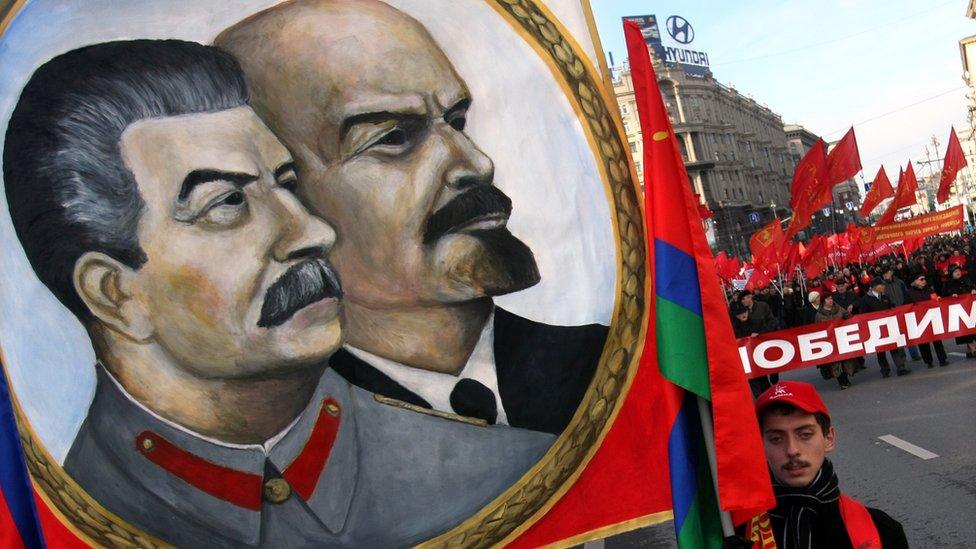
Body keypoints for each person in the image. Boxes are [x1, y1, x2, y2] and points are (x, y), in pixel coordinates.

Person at [3, 39, 553, 547]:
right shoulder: (40, 520)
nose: (314, 232)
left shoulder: (510, 476)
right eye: (228, 204)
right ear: (115, 294)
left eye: (287, 185)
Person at [215, 0, 607, 435]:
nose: (475, 163)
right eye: (394, 137)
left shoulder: (605, 364)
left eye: (456, 120)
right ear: (282, 193)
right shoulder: (283, 434)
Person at [742, 382, 908, 549]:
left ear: (829, 438)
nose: (792, 450)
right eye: (776, 439)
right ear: (760, 445)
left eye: (805, 435)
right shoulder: (736, 531)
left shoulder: (882, 533)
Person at [858, 279, 910, 377]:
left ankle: (901, 368)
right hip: (875, 329)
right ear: (874, 287)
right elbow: (862, 315)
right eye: (881, 285)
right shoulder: (866, 299)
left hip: (888, 326)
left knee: (894, 347)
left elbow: (891, 306)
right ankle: (885, 371)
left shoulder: (885, 296)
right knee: (880, 351)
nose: (883, 287)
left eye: (883, 285)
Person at [904, 272, 949, 368]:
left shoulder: (929, 289)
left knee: (937, 339)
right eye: (921, 279)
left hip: (932, 318)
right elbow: (906, 307)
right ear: (915, 281)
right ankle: (928, 361)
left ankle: (942, 359)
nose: (924, 281)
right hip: (920, 321)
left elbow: (934, 299)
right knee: (923, 341)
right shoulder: (909, 293)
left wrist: (938, 299)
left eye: (924, 279)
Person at [815, 294, 856, 389]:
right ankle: (842, 382)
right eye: (828, 298)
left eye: (831, 298)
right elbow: (817, 329)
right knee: (835, 362)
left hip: (842, 338)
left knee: (845, 359)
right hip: (830, 341)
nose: (830, 300)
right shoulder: (819, 315)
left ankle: (846, 379)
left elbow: (848, 316)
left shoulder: (839, 308)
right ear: (823, 301)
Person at [941, 265, 976, 358]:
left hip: (969, 310)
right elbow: (943, 297)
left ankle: (970, 351)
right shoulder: (948, 284)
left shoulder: (966, 279)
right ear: (951, 274)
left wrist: (973, 290)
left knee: (971, 329)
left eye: (958, 271)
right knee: (965, 331)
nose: (958, 272)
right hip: (958, 312)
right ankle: (973, 349)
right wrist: (951, 295)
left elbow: (972, 286)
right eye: (955, 271)